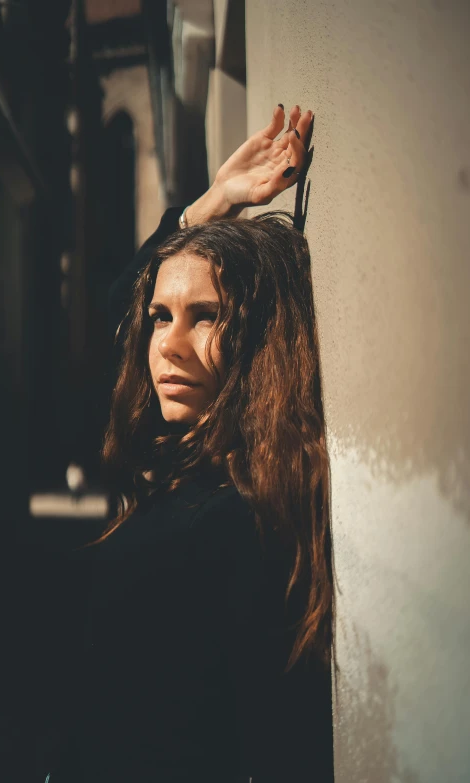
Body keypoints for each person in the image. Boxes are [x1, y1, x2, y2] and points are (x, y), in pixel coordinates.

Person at [48, 104, 333, 783]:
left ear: (257, 338)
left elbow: (279, 749)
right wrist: (215, 201)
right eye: (161, 317)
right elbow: (123, 304)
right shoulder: (181, 463)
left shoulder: (240, 520)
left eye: (206, 317)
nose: (167, 347)